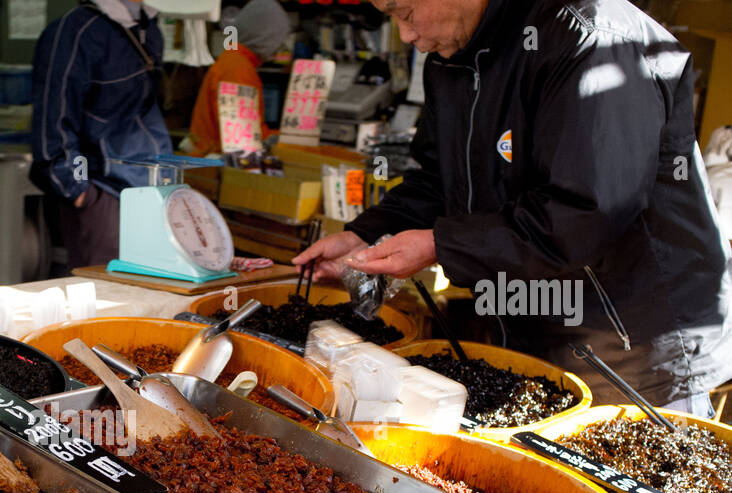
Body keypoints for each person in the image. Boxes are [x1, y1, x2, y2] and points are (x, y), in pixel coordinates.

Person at [294, 0, 732, 412]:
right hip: (530, 339)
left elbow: (587, 213)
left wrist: (440, 246)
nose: (407, 35)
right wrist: (363, 235)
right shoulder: (453, 58)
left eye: (405, 12)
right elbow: (437, 178)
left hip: (634, 356)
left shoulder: (590, 39)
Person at [31, 0, 173, 270]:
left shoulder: (149, 27)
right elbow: (52, 128)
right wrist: (80, 193)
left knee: (146, 297)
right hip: (104, 194)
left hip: (151, 190)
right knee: (105, 302)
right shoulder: (75, 31)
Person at [185, 0, 290, 157]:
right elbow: (244, 138)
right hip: (216, 165)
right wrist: (289, 141)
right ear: (266, 38)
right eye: (278, 41)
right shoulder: (238, 70)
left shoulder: (232, 59)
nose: (278, 48)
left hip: (209, 158)